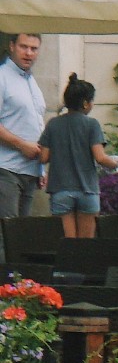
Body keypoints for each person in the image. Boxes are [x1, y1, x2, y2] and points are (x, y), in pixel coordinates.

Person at [38, 76, 118, 239]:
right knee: (85, 247)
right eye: (92, 101)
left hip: (60, 190)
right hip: (87, 190)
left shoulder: (53, 124)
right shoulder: (92, 124)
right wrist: (116, 164)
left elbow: (43, 157)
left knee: (67, 247)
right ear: (85, 103)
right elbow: (100, 157)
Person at [0, 33, 48, 265]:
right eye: (24, 47)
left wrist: (42, 170)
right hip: (6, 168)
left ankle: (18, 289)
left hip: (30, 170)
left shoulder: (31, 82)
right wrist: (21, 145)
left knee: (21, 236)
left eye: (34, 48)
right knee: (5, 233)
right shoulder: (2, 77)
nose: (29, 53)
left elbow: (37, 124)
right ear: (11, 46)